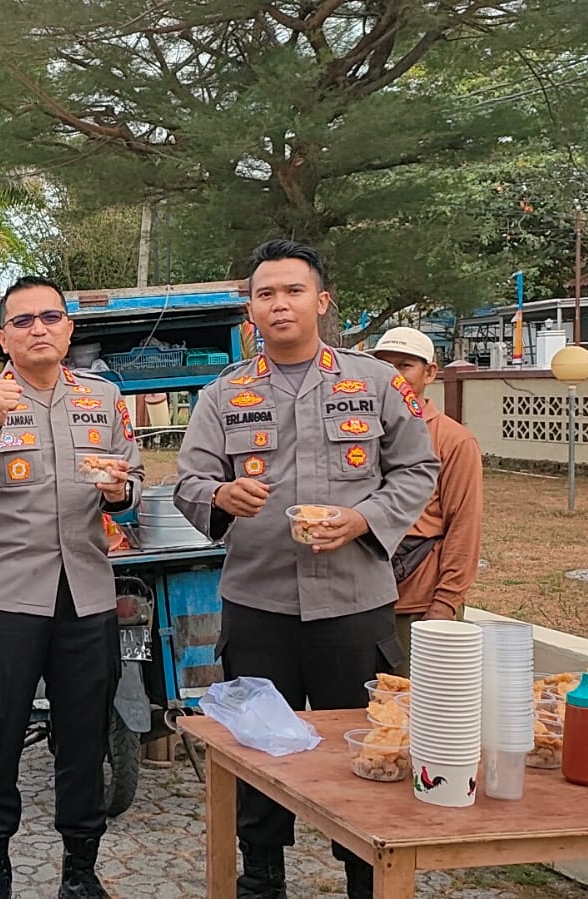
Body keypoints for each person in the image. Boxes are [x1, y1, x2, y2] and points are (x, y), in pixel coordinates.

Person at [175, 240, 438, 899]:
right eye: (265, 293)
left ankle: (364, 876)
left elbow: (416, 470)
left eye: (292, 290)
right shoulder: (223, 393)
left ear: (320, 301)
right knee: (259, 748)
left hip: (352, 603)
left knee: (367, 747)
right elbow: (189, 479)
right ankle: (261, 876)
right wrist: (218, 497)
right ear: (251, 310)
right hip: (258, 601)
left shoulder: (374, 383)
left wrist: (364, 519)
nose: (278, 303)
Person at [0, 275, 144, 899]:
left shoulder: (105, 398)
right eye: (23, 321)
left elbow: (131, 479)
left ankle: (80, 874)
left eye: (50, 318)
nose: (38, 329)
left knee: (83, 737)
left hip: (85, 592)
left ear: (69, 328)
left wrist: (121, 490)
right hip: (6, 594)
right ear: (3, 336)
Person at [370, 327, 483, 672]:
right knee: (361, 711)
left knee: (417, 708)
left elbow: (464, 527)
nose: (393, 376)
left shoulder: (452, 440)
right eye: (384, 366)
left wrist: (444, 606)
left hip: (420, 601)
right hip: (361, 600)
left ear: (430, 372)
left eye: (405, 366)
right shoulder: (359, 432)